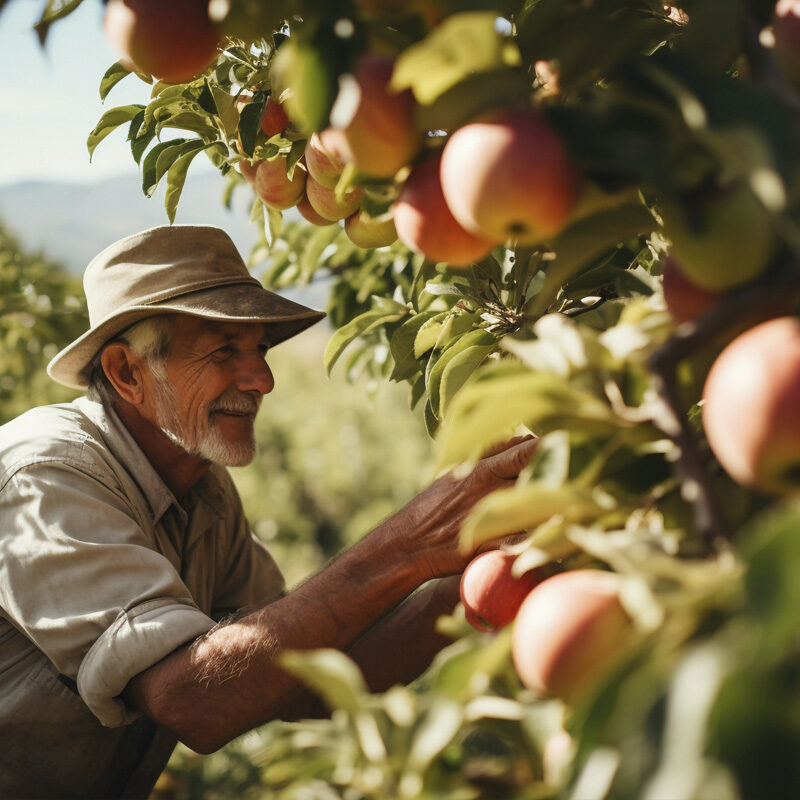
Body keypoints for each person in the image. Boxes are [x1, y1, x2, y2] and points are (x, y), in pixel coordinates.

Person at [0, 224, 536, 798]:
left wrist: (472, 574)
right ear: (127, 373)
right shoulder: (46, 476)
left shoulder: (202, 491)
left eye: (257, 348)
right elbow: (192, 700)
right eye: (222, 351)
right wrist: (413, 541)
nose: (263, 379)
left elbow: (305, 679)